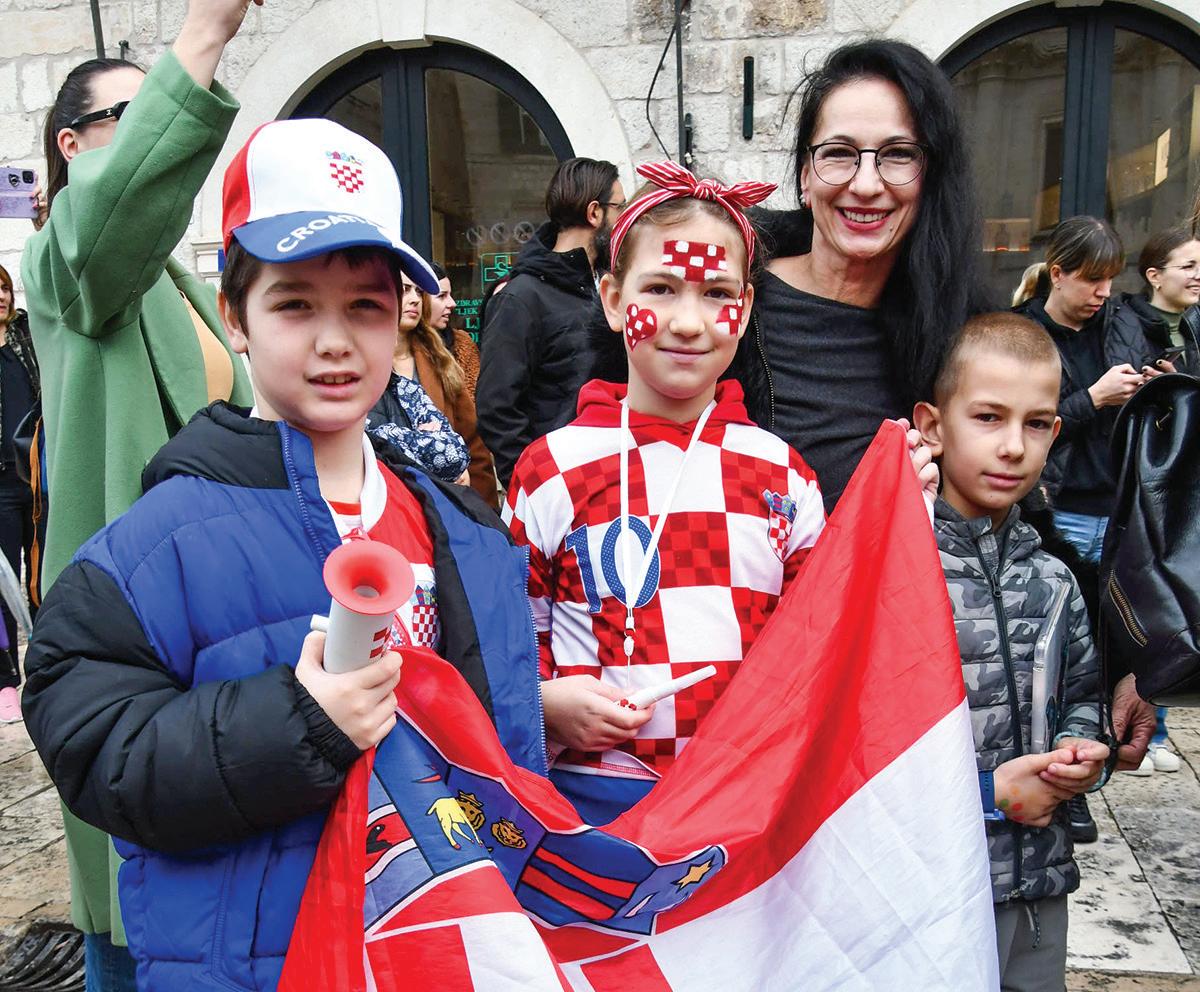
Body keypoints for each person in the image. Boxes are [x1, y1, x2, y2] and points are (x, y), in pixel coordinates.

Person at [23, 117, 543, 992]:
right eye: (296, 304)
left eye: (365, 306)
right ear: (235, 316)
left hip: (444, 949)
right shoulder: (159, 542)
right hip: (260, 964)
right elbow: (93, 741)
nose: (335, 340)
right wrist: (298, 722)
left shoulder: (464, 532)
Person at [504, 161, 937, 826]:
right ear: (614, 299)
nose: (688, 321)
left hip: (740, 805)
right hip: (591, 807)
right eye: (661, 288)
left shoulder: (782, 476)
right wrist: (546, 705)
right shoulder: (552, 468)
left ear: (746, 309)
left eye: (716, 293)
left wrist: (902, 518)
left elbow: (822, 634)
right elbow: (514, 633)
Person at [20, 2, 257, 982]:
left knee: (219, 874)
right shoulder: (67, 259)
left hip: (213, 616)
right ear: (71, 146)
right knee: (133, 896)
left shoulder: (178, 283)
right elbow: (105, 226)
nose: (160, 124)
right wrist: (203, 35)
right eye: (132, 112)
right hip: (126, 630)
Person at [913, 312, 1109, 992]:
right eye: (988, 418)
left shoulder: (1055, 579)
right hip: (930, 891)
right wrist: (987, 797)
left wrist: (1080, 752)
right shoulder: (898, 573)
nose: (1012, 447)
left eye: (1036, 424)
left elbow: (1083, 694)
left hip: (1037, 888)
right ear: (933, 426)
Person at [739, 39, 986, 511]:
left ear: (930, 177)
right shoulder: (722, 301)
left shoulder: (963, 341)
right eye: (839, 152)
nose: (867, 184)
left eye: (898, 154)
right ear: (805, 176)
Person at [477, 156, 624, 489]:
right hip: (560, 486)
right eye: (620, 207)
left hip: (615, 479)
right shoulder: (520, 297)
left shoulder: (608, 286)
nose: (625, 218)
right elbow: (497, 408)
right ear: (595, 213)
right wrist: (535, 487)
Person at [368, 273, 498, 505]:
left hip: (451, 500)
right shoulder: (363, 363)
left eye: (419, 291)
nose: (415, 299)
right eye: (405, 290)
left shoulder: (440, 360)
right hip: (389, 497)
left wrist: (483, 507)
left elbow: (472, 441)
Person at [0, 263, 39, 724]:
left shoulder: (25, 337)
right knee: (4, 585)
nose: (2, 297)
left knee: (39, 577)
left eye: (5, 288)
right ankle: (6, 680)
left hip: (33, 477)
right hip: (0, 487)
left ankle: (44, 666)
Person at [427, 261, 482, 394]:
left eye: (450, 295)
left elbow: (473, 397)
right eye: (441, 296)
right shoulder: (399, 347)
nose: (452, 303)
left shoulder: (462, 344)